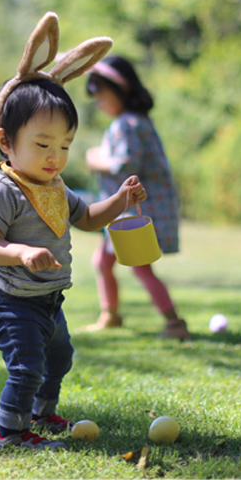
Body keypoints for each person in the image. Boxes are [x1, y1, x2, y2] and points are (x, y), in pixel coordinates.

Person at [0, 13, 148, 450]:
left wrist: (121, 201)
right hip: (12, 300)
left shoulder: (55, 188)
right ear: (5, 140)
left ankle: (42, 413)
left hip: (50, 299)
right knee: (27, 367)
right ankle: (11, 433)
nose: (55, 157)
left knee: (60, 358)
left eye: (65, 146)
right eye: (42, 145)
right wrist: (21, 253)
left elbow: (88, 217)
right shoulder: (5, 191)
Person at [83, 55, 190, 340]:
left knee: (141, 268)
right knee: (103, 262)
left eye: (101, 96)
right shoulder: (135, 121)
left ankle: (174, 323)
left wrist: (96, 160)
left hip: (137, 209)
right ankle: (110, 315)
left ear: (121, 89)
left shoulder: (126, 123)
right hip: (134, 209)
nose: (99, 103)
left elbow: (125, 164)